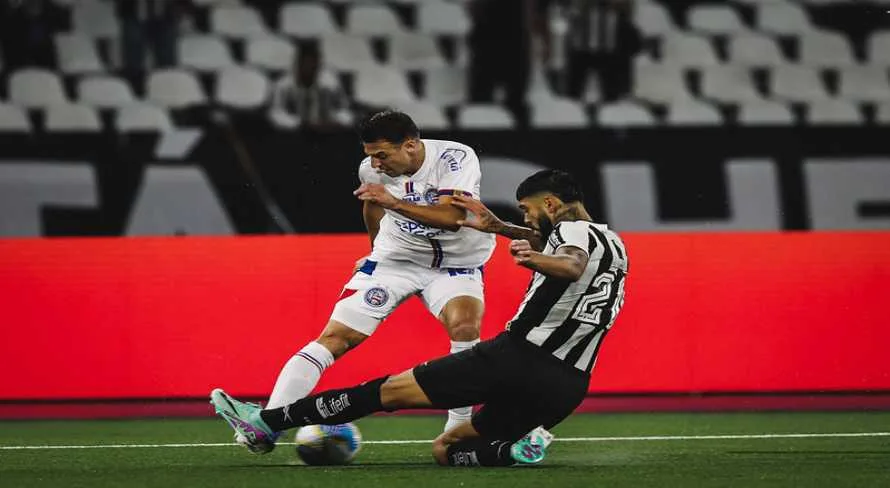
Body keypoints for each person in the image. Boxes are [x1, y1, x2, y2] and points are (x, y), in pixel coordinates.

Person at [211, 169, 630, 467]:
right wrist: (500, 227)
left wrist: (532, 257)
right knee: (448, 450)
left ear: (551, 204)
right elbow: (561, 248)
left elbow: (570, 263)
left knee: (384, 393)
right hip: (568, 384)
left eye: (527, 209)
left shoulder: (571, 237)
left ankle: (265, 421)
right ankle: (514, 448)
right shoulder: (614, 244)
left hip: (519, 357)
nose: (526, 218)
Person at [232, 110, 497, 453]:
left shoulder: (455, 157)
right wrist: (374, 253)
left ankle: (458, 427)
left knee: (464, 329)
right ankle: (266, 426)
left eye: (383, 154)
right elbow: (372, 207)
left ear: (412, 146)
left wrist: (394, 202)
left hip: (457, 264)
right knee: (336, 338)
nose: (376, 163)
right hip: (396, 261)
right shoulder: (371, 168)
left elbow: (452, 218)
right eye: (370, 154)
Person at [548, 0, 642, 101]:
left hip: (605, 53)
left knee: (611, 93)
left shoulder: (619, 18)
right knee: (575, 90)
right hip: (585, 51)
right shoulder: (577, 16)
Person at [268, 44, 353, 130]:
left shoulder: (331, 84)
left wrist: (336, 120)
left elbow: (345, 111)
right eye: (305, 64)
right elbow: (276, 113)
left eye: (313, 65)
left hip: (326, 131)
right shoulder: (283, 85)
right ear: (297, 64)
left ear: (319, 65)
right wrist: (300, 123)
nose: (309, 68)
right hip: (293, 133)